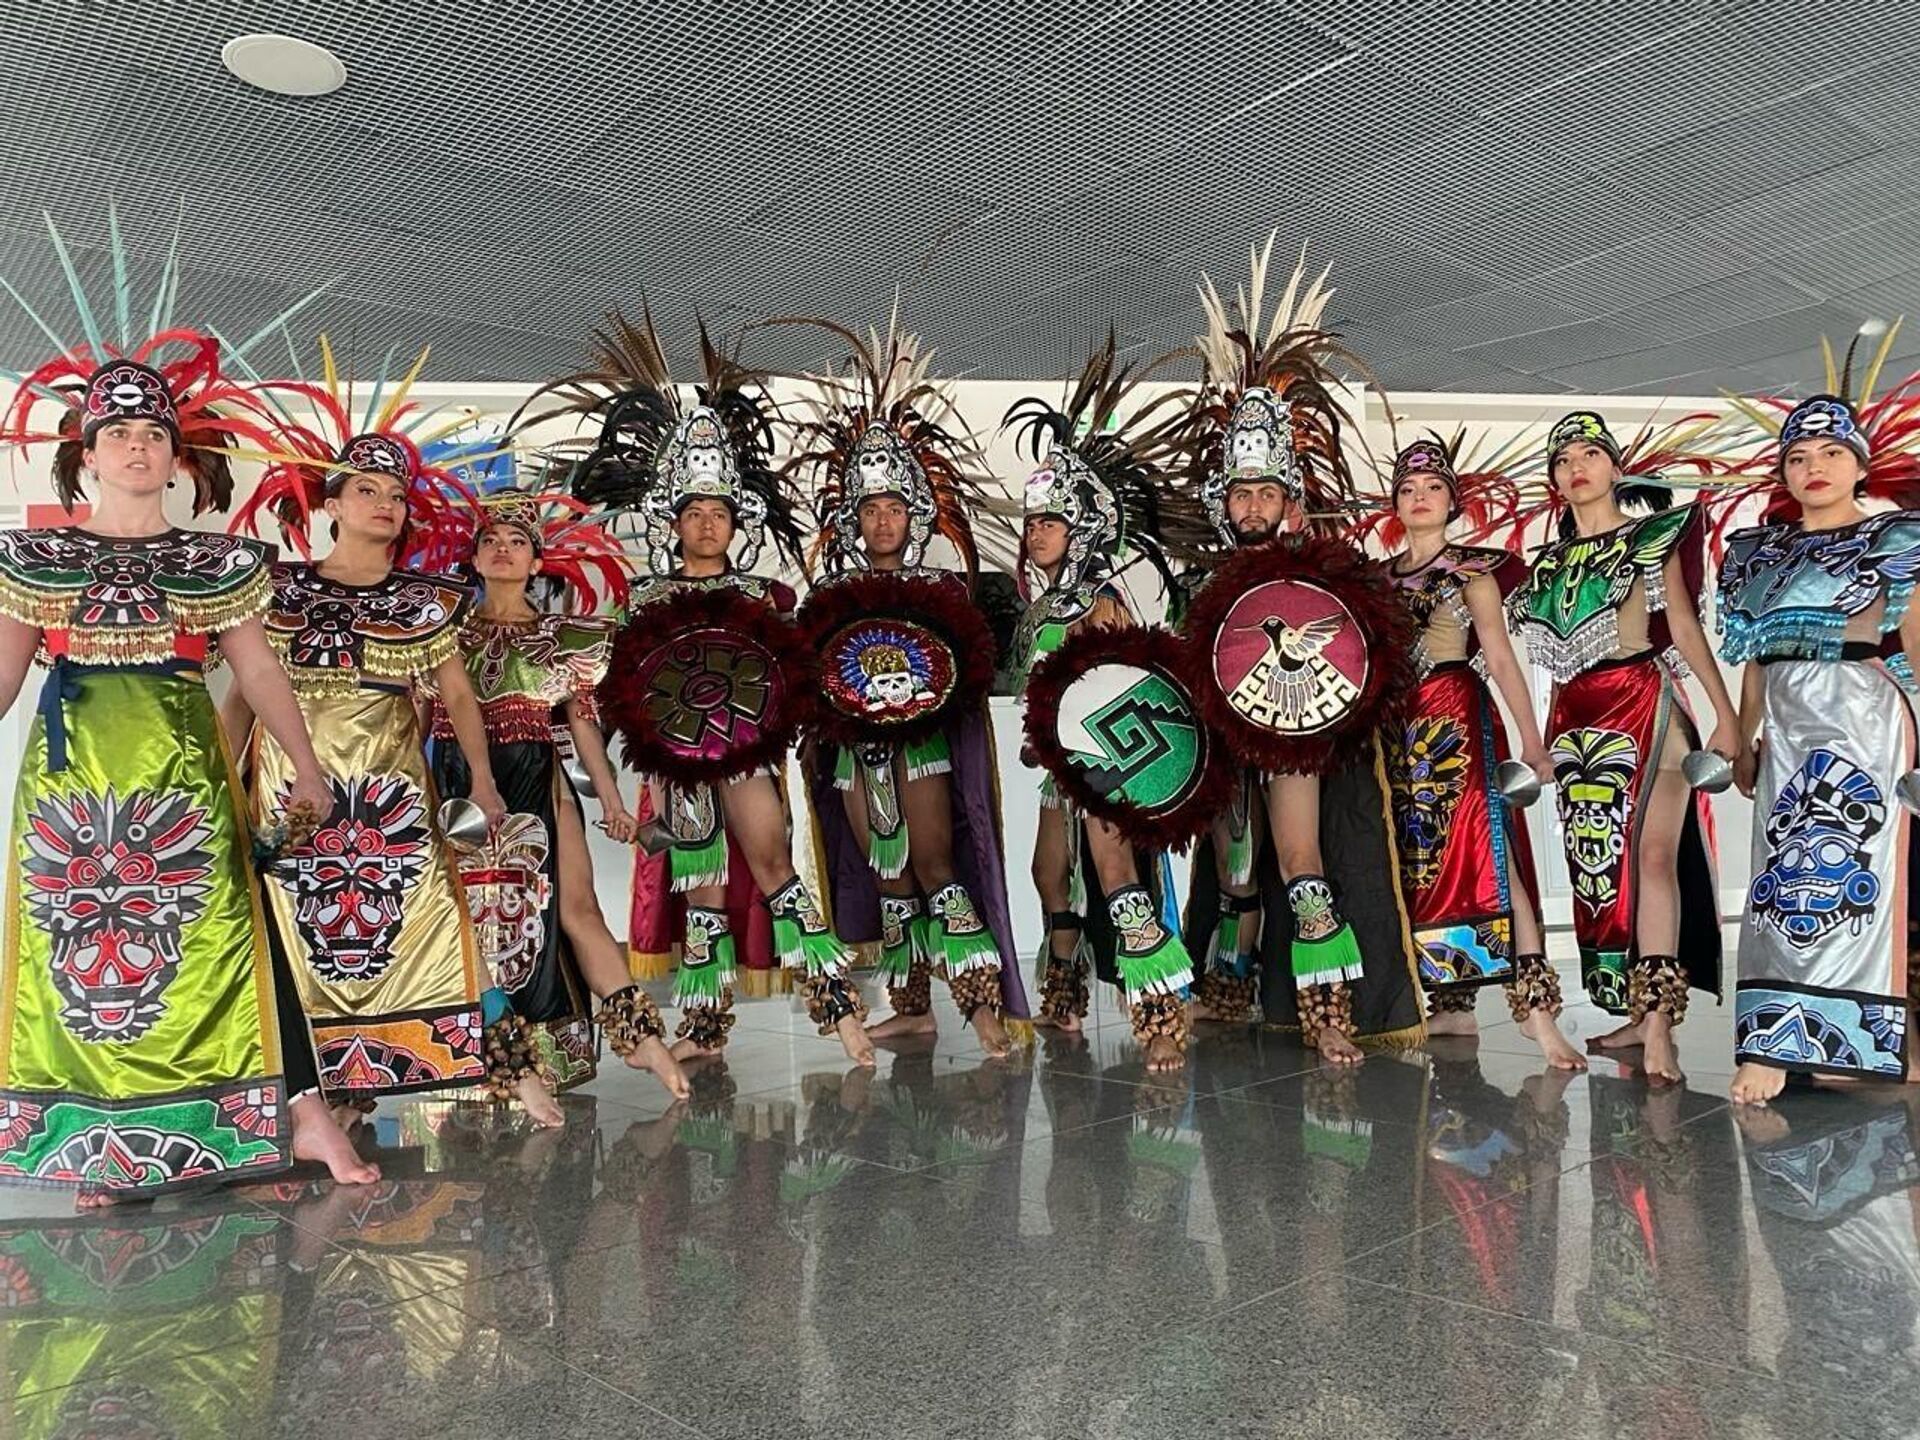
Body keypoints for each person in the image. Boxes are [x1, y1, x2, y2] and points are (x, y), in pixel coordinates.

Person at [0, 220, 377, 1201]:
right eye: (118, 431)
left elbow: (257, 675)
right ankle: (94, 1144)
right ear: (87, 454)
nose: (137, 445)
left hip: (184, 783)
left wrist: (304, 764)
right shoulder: (35, 563)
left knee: (220, 946)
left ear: (175, 458)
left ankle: (302, 1120)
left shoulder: (216, 566)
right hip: (69, 794)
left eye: (154, 433)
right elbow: (2, 680)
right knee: (82, 962)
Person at [522, 313, 874, 1066]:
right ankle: (706, 1028)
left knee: (774, 869)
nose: (707, 523)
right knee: (704, 892)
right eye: (695, 513)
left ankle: (840, 1009)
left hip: (745, 757)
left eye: (719, 512)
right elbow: (613, 687)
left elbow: (799, 683)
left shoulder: (766, 595)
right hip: (676, 764)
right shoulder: (644, 598)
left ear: (734, 522)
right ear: (673, 523)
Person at [226, 341, 563, 1125]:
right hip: (291, 791)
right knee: (296, 938)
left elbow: (458, 697)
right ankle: (329, 1094)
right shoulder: (274, 590)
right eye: (367, 489)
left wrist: (479, 782)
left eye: (397, 495)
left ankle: (505, 1065)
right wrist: (218, 780)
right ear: (333, 502)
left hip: (391, 795)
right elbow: (243, 697)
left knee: (437, 924)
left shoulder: (427, 598)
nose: (385, 504)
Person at [1175, 236, 1424, 1063]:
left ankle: (1329, 1013)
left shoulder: (1324, 574)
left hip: (1295, 732)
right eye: (1240, 491)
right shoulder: (1201, 583)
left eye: (1264, 492)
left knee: (1299, 855)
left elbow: (1360, 654)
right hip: (1223, 743)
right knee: (1236, 873)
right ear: (1226, 501)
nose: (1251, 504)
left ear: (1287, 500)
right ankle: (1231, 988)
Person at [783, 316, 1029, 1055]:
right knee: (884, 871)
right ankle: (913, 1004)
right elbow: (811, 676)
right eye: (870, 508)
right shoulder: (830, 593)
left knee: (933, 863)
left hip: (923, 747)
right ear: (853, 518)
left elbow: (975, 667)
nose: (883, 519)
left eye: (894, 507)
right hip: (859, 754)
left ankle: (981, 1004)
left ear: (913, 513)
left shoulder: (945, 588)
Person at [432, 487, 689, 1101]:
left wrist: (614, 805)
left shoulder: (566, 640)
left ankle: (641, 1036)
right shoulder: (439, 630)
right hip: (450, 782)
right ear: (471, 558)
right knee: (462, 922)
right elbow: (417, 715)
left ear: (537, 561)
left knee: (575, 910)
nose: (502, 550)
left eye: (517, 542)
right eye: (490, 541)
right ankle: (494, 1061)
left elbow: (582, 726)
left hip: (537, 777)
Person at [1508, 410, 1739, 1084]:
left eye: (1589, 453)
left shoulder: (1650, 540)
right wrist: (1541, 740)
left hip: (1648, 702)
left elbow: (1687, 633)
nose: (1576, 467)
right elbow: (1553, 662)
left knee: (1656, 857)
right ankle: (1636, 1017)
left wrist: (1724, 719)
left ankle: (1661, 1026)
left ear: (1614, 466)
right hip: (1578, 723)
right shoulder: (1545, 564)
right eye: (1562, 460)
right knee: (1599, 876)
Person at [1717, 378, 1920, 1103]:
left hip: (1867, 711)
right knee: (1782, 881)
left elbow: (1914, 642)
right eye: (1799, 455)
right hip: (1789, 718)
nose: (1815, 467)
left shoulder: (1896, 537)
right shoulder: (1756, 554)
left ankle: (1853, 1040)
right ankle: (1782, 1039)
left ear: (1861, 463)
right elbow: (1756, 658)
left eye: (1832, 451)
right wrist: (1742, 737)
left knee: (1859, 876)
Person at [1006, 334, 1203, 1071]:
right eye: (1031, 524)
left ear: (1080, 527)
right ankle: (1065, 992)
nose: (1037, 534)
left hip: (1107, 768)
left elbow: (1130, 687)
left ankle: (1158, 1013)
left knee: (1116, 877)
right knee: (1047, 874)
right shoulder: (1040, 607)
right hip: (1058, 770)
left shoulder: (1101, 599)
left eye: (1050, 522)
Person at [1374, 436, 1585, 1069]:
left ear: (1452, 500)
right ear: (1395, 503)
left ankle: (1537, 1014)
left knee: (1493, 857)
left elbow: (1498, 657)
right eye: (1408, 490)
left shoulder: (1473, 573)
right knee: (1412, 863)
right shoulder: (1375, 580)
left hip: (1457, 723)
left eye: (1433, 488)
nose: (1420, 498)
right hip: (1394, 732)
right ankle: (1452, 1006)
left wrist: (1531, 739)